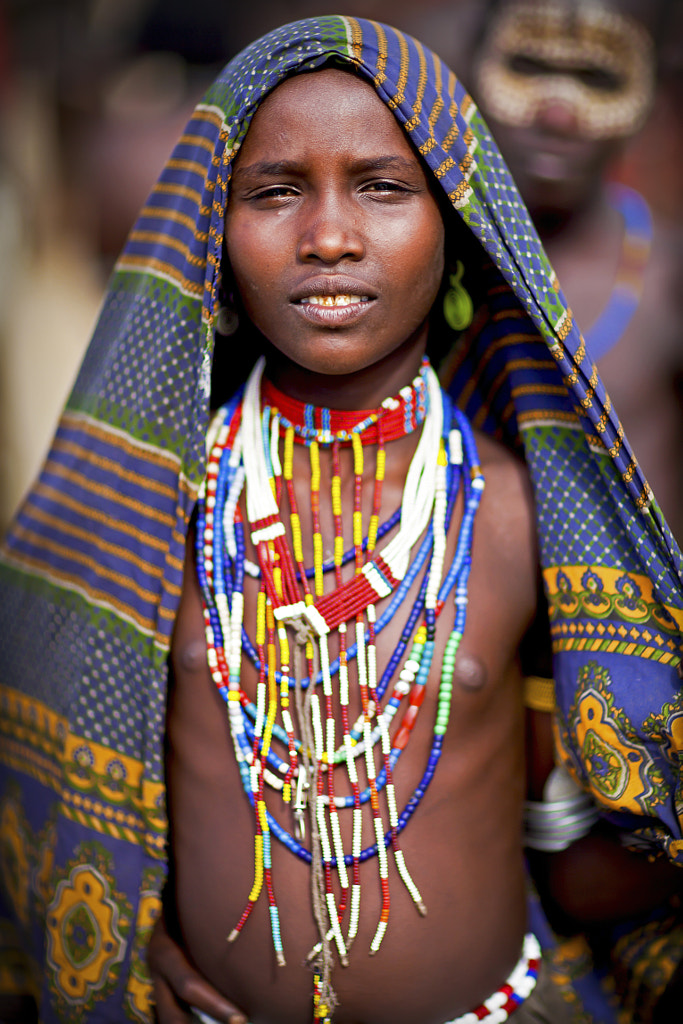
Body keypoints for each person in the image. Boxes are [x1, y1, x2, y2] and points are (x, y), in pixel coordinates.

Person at [0, 16, 682, 1024]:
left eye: (381, 187)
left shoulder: (514, 511)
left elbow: (592, 836)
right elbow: (49, 773)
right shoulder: (154, 501)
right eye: (275, 191)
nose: (327, 236)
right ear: (211, 238)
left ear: (454, 229)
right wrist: (124, 926)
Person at [469, 0, 683, 543]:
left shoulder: (667, 280)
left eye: (598, 77)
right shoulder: (418, 260)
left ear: (652, 99)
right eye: (528, 66)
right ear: (470, 69)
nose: (558, 113)